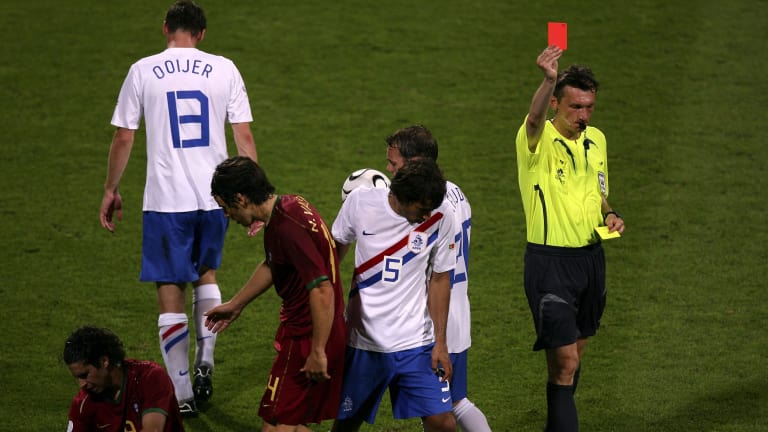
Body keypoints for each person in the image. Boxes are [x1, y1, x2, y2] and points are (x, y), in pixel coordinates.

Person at [98, 0, 258, 416]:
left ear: (165, 27)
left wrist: (111, 189)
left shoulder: (143, 70)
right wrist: (254, 197)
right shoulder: (224, 68)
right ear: (201, 33)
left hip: (166, 200)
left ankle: (182, 393)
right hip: (215, 197)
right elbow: (242, 135)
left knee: (170, 288)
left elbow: (124, 137)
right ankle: (206, 360)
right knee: (207, 275)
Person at [514, 46, 625, 432]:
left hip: (591, 261)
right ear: (556, 103)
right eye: (575, 107)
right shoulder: (537, 140)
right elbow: (533, 118)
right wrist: (548, 79)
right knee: (565, 364)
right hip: (550, 264)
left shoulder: (597, 140)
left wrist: (609, 214)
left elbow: (598, 192)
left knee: (571, 362)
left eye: (589, 107)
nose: (584, 115)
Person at [204, 156, 347, 431]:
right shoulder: (291, 206)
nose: (227, 215)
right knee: (288, 423)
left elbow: (321, 289)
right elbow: (274, 263)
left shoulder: (288, 228)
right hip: (320, 331)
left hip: (307, 337)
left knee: (275, 425)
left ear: (241, 198)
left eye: (225, 207)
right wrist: (237, 304)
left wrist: (317, 350)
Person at [331, 158, 457, 432]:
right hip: (363, 343)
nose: (427, 216)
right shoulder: (359, 203)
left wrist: (440, 343)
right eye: (422, 209)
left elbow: (439, 279)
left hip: (416, 343)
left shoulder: (442, 214)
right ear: (402, 197)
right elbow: (330, 258)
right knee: (345, 425)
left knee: (444, 424)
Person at [384, 125, 492, 432]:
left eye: (393, 163)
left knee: (439, 411)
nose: (389, 170)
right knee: (456, 402)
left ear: (416, 162)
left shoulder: (427, 204)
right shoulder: (455, 191)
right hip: (457, 312)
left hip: (432, 318)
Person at [63, 326, 185, 432]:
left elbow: (153, 429)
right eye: (78, 378)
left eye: (84, 375)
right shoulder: (83, 403)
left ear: (104, 361)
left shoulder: (150, 378)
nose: (82, 384)